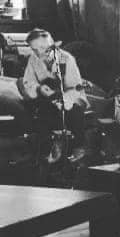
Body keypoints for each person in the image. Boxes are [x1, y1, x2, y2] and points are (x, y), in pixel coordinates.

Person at [21, 28, 88, 162]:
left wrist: (63, 100)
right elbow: (28, 82)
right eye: (35, 49)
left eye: (42, 48)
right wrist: (39, 88)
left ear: (51, 44)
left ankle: (78, 147)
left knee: (74, 113)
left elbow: (75, 87)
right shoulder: (33, 59)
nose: (39, 53)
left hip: (69, 97)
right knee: (40, 113)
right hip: (46, 98)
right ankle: (46, 150)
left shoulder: (66, 59)